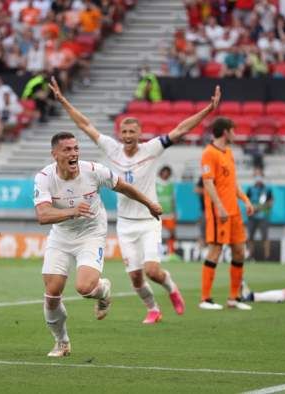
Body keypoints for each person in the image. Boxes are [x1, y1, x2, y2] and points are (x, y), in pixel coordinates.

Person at [49, 78, 221, 324]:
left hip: (149, 220)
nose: (128, 135)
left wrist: (207, 110)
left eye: (133, 131)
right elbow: (86, 125)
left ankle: (171, 288)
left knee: (152, 271)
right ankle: (153, 309)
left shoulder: (151, 149)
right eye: (125, 132)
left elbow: (180, 130)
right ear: (120, 134)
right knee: (136, 280)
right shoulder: (112, 148)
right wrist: (64, 101)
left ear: (140, 134)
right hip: (125, 224)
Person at [35, 132, 162, 357]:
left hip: (91, 234)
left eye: (76, 148)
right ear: (54, 154)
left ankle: (103, 292)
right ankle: (62, 342)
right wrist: (72, 212)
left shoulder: (94, 171)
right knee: (52, 295)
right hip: (61, 236)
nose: (73, 153)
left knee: (84, 288)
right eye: (67, 150)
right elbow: (43, 215)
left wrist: (149, 204)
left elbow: (123, 186)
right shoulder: (44, 177)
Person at [200, 117, 255, 311]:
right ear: (225, 132)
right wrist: (220, 207)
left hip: (234, 212)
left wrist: (246, 200)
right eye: (234, 130)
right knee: (215, 251)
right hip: (219, 213)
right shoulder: (209, 153)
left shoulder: (229, 153)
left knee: (239, 251)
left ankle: (234, 298)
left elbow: (233, 183)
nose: (235, 134)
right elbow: (208, 183)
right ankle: (205, 299)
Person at [246, 169, 273, 261]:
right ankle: (250, 256)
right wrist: (252, 208)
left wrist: (260, 207)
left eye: (260, 175)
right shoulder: (250, 189)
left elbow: (270, 203)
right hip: (252, 217)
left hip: (263, 217)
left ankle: (267, 257)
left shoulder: (267, 189)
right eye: (256, 175)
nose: (258, 178)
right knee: (250, 237)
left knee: (265, 237)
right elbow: (247, 201)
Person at [156, 165, 178, 260]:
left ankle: (171, 252)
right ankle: (157, 252)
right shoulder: (156, 183)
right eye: (164, 172)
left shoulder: (170, 184)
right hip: (158, 213)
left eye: (168, 173)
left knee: (172, 233)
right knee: (156, 233)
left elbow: (172, 199)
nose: (166, 174)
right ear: (161, 172)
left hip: (169, 214)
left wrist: (174, 211)